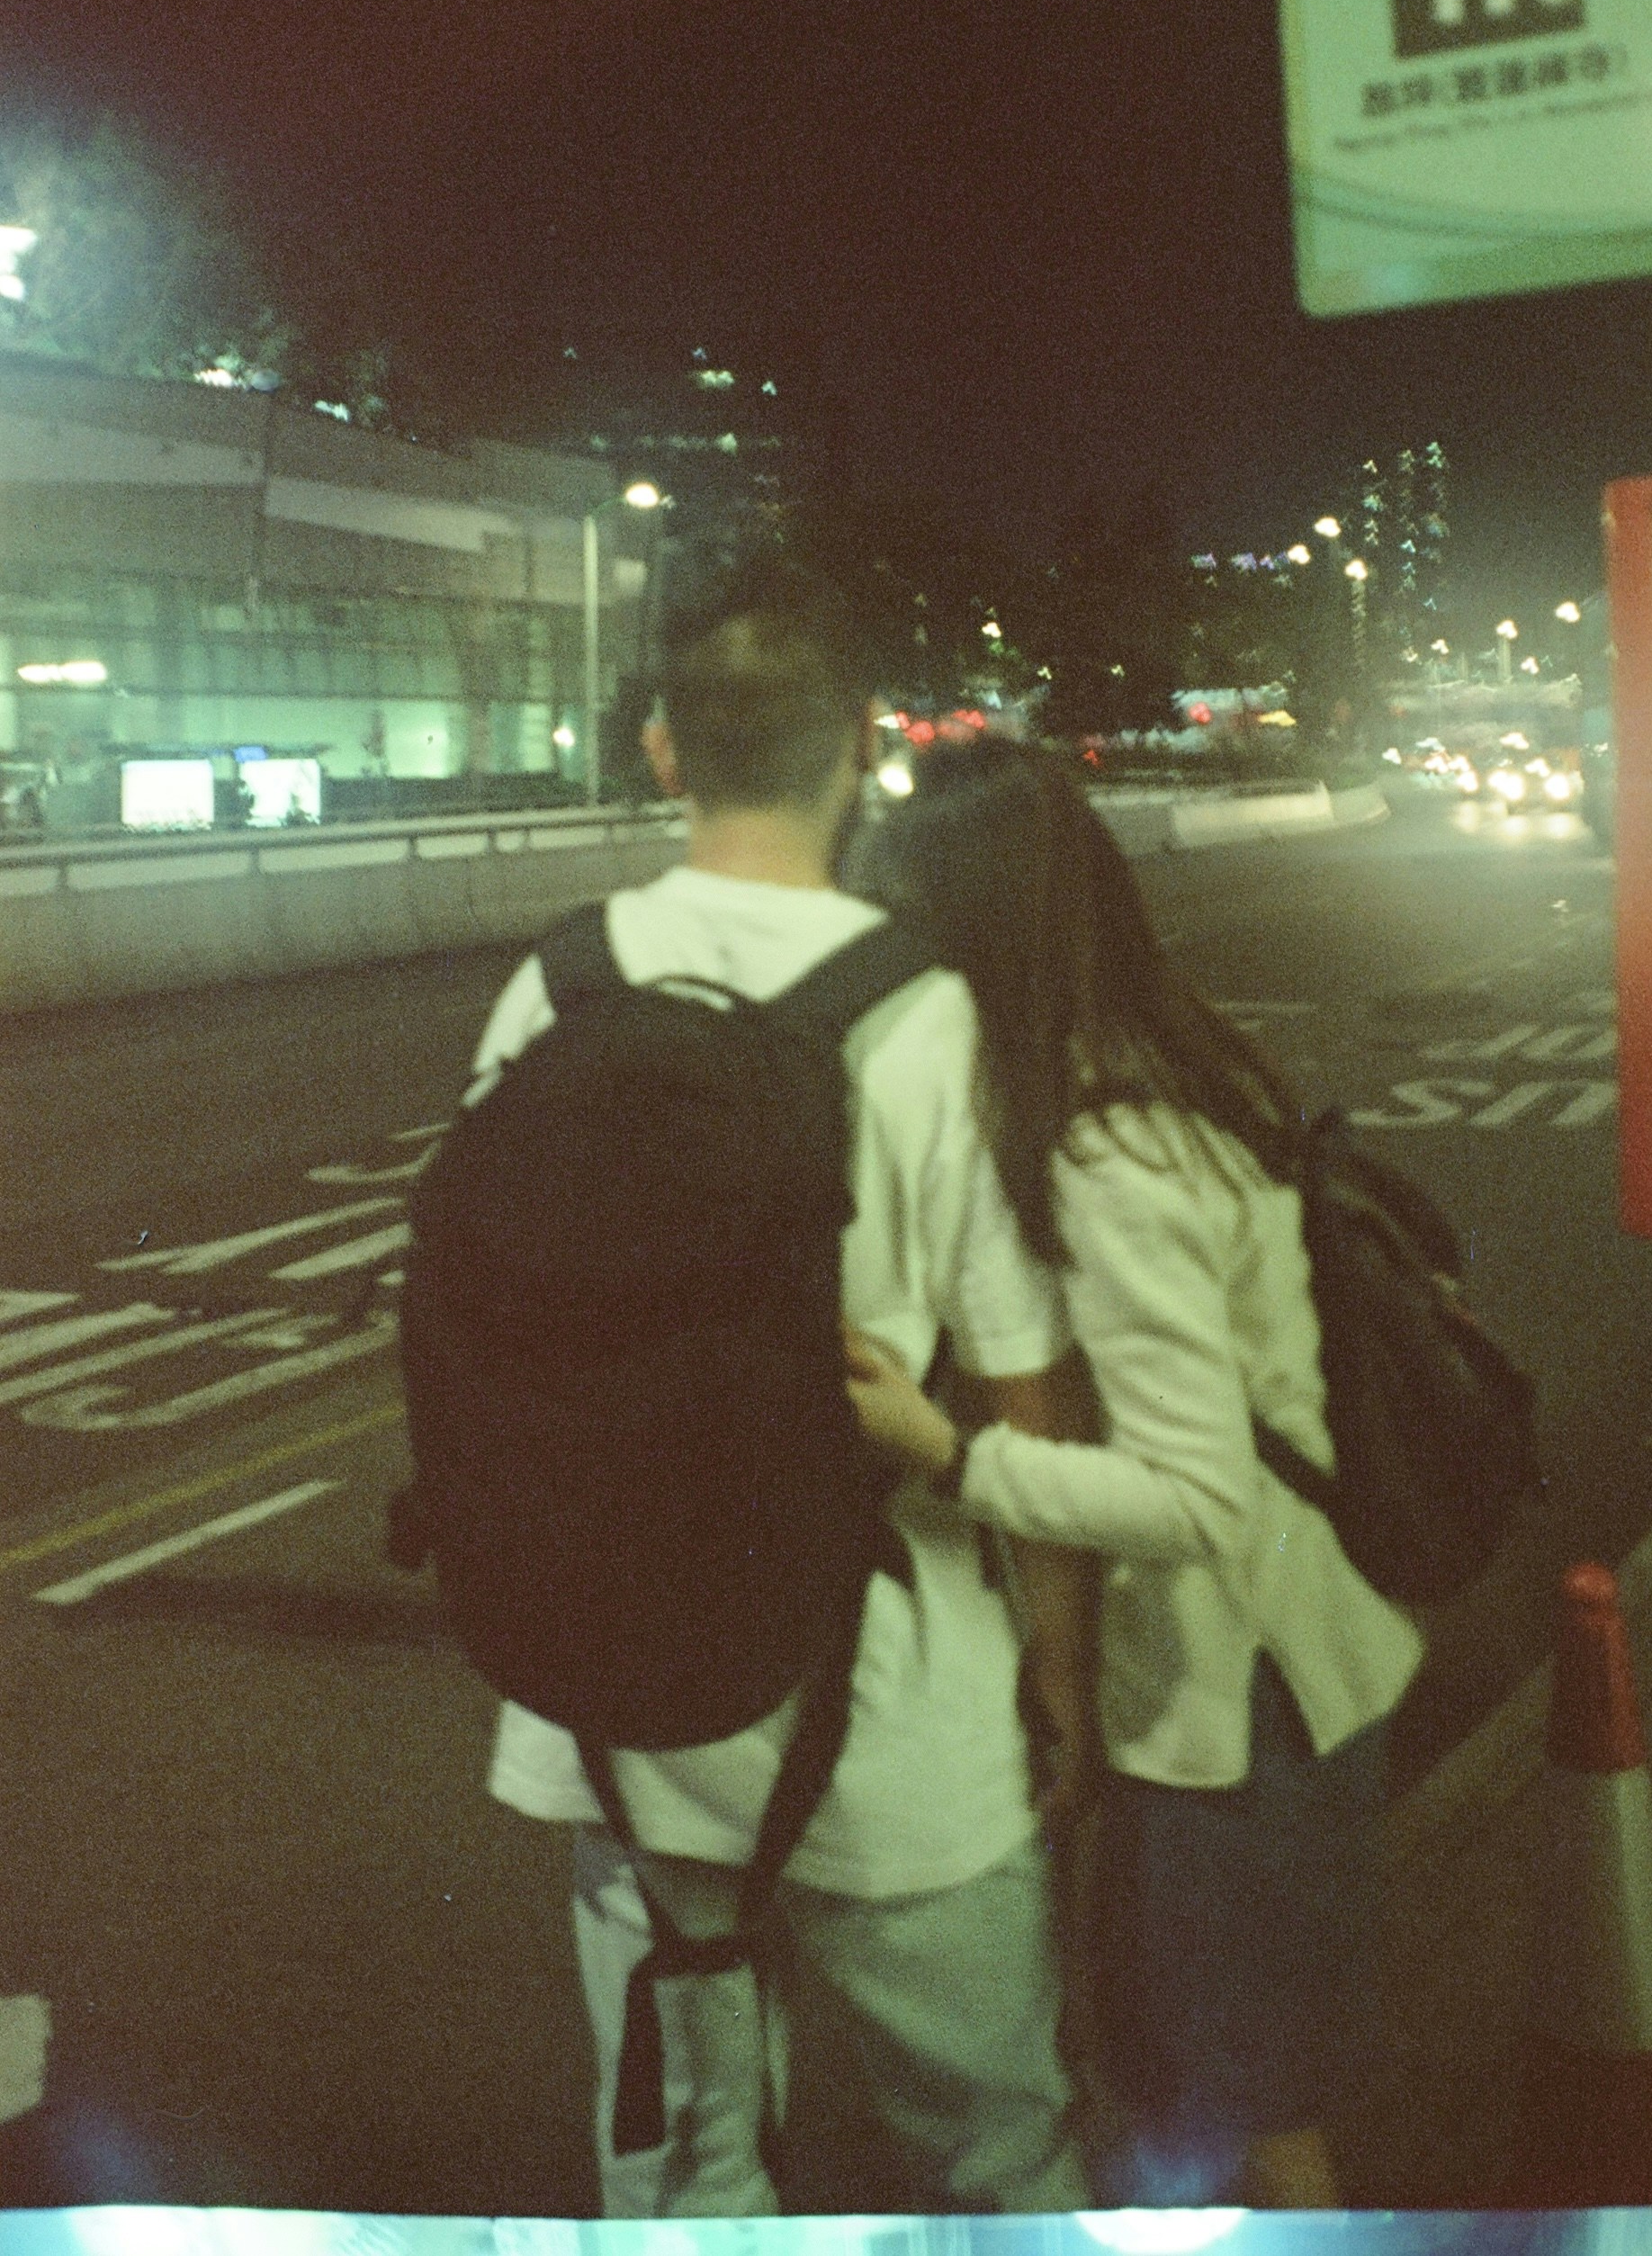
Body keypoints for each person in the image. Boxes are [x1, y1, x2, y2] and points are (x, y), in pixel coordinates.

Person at [468, 561, 1095, 2220]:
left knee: (688, 2173)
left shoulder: (556, 984)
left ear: (664, 750)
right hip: (889, 1705)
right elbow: (1021, 1385)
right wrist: (1065, 1676)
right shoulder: (915, 1010)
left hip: (615, 1693)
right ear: (865, 750)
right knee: (1000, 2153)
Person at [842, 736, 1424, 2211]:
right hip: (1282, 1679)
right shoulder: (1178, 1058)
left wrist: (950, 1452)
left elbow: (1194, 1496)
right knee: (1209, 2090)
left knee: (1238, 2110)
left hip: (1247, 1708)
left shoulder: (1113, 1144)